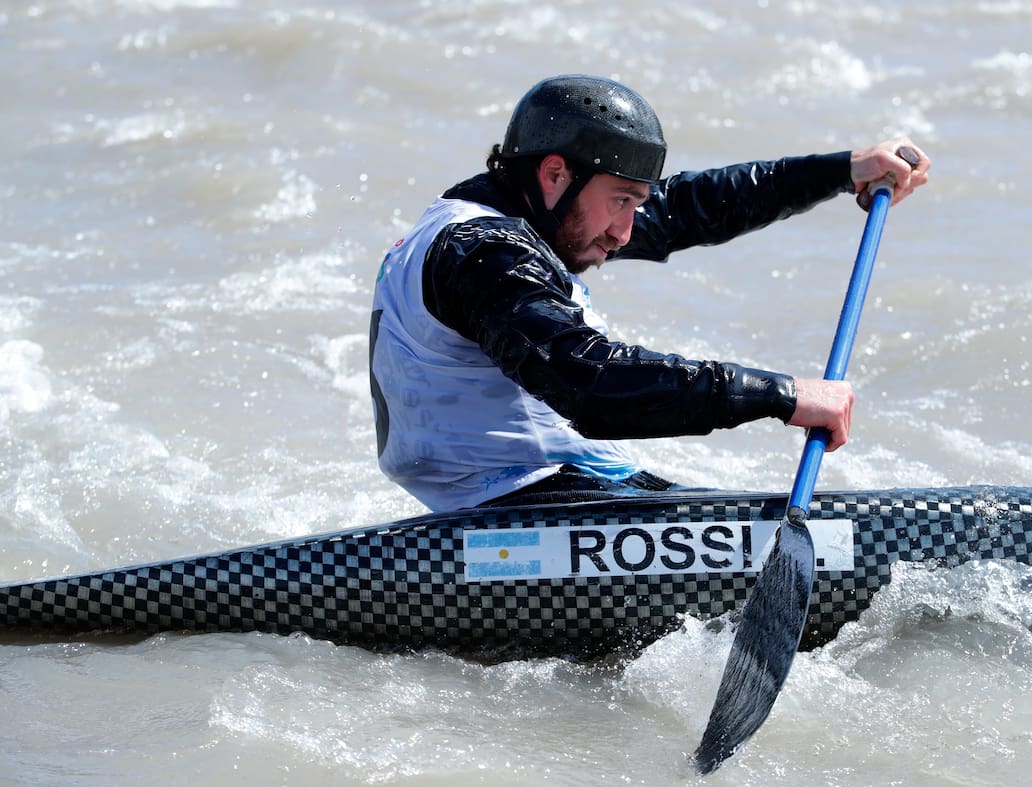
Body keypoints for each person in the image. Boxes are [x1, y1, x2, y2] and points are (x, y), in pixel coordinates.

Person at [369, 74, 929, 512]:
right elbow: (591, 383)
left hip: (545, 495)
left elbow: (689, 208)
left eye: (635, 204)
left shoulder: (507, 224)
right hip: (511, 509)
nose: (626, 230)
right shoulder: (487, 254)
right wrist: (780, 395)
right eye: (620, 201)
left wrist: (845, 170)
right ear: (554, 174)